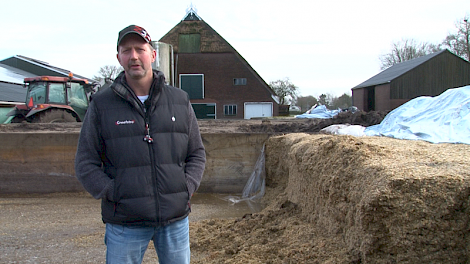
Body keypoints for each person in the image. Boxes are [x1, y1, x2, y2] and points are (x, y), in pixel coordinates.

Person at [75, 25, 206, 264]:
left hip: (175, 220)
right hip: (125, 222)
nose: (134, 56)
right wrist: (114, 192)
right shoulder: (101, 104)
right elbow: (85, 162)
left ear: (153, 54)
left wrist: (185, 188)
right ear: (119, 57)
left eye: (140, 49)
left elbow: (196, 153)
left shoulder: (179, 100)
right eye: (127, 50)